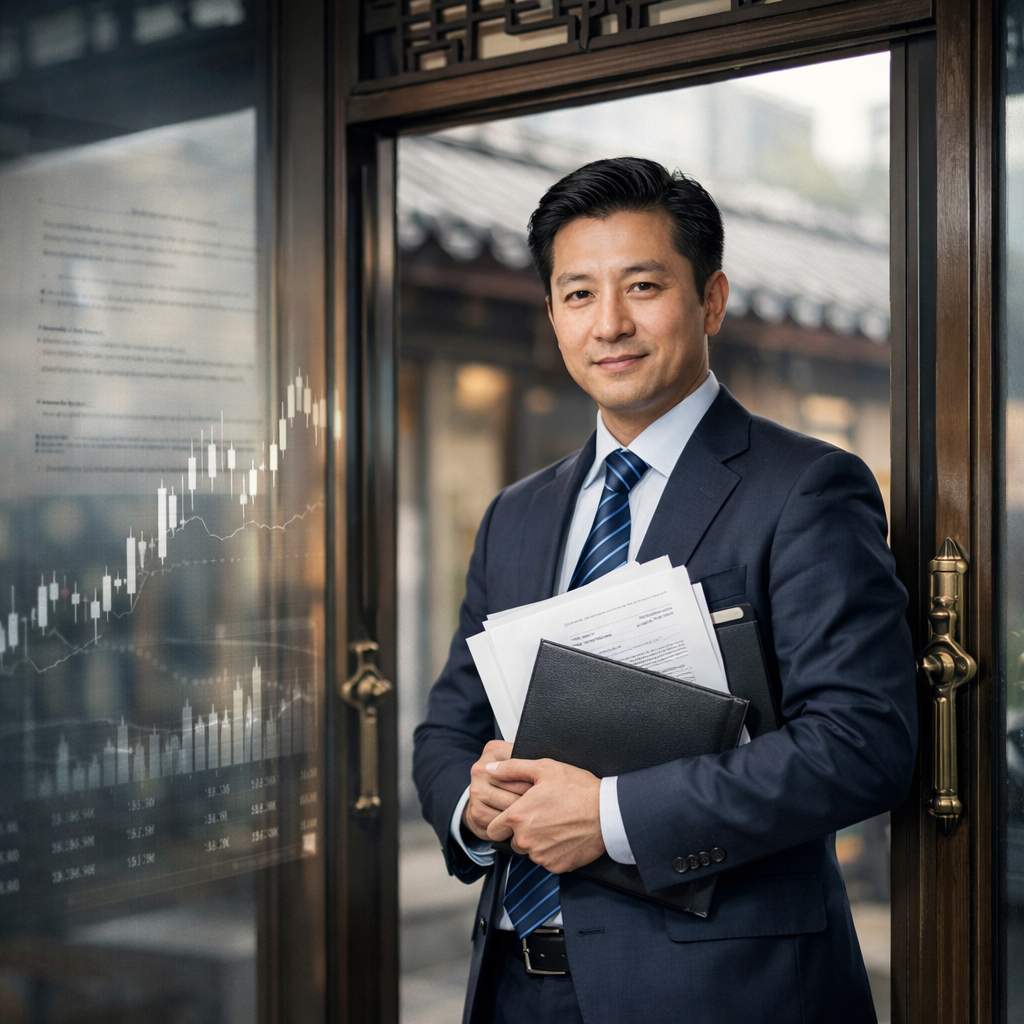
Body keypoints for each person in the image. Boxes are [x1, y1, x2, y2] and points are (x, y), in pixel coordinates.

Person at [413, 157, 917, 1024]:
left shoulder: (805, 488)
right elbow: (449, 724)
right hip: (512, 985)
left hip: (722, 990)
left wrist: (610, 816)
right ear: (553, 314)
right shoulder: (517, 512)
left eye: (642, 286)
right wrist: (471, 798)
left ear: (710, 300)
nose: (609, 323)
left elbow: (862, 742)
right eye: (578, 294)